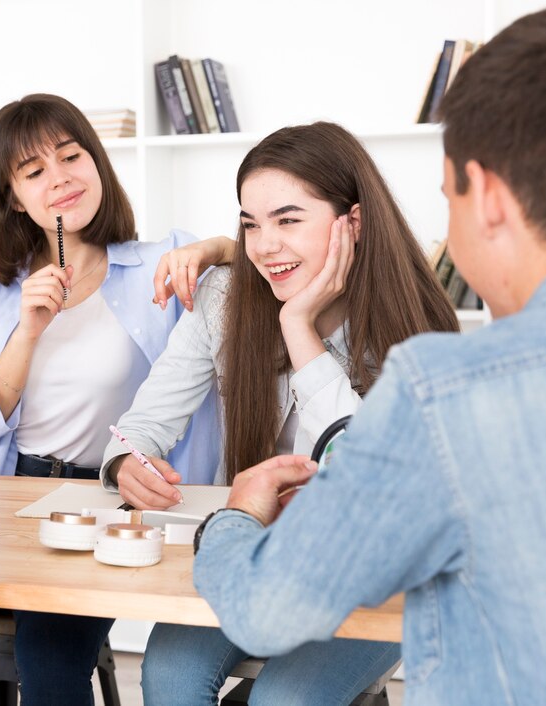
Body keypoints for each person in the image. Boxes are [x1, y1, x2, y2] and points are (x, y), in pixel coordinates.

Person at [193, 6, 546, 705]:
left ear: (491, 201)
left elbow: (272, 607)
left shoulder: (450, 391)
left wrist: (235, 519)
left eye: (448, 194)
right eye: (250, 226)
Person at [101, 121, 460, 705]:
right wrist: (125, 463)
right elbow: (142, 426)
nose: (265, 245)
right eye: (250, 224)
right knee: (167, 676)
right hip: (257, 555)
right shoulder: (223, 300)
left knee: (283, 700)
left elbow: (361, 468)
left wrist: (298, 326)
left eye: (288, 220)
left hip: (377, 576)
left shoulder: (416, 325)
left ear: (354, 222)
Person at [0, 93, 223, 705]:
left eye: (71, 156)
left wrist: (213, 250)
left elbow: (259, 261)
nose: (61, 179)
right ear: (11, 197)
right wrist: (28, 330)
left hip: (98, 497)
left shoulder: (160, 264)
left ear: (97, 163)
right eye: (34, 171)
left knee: (47, 662)